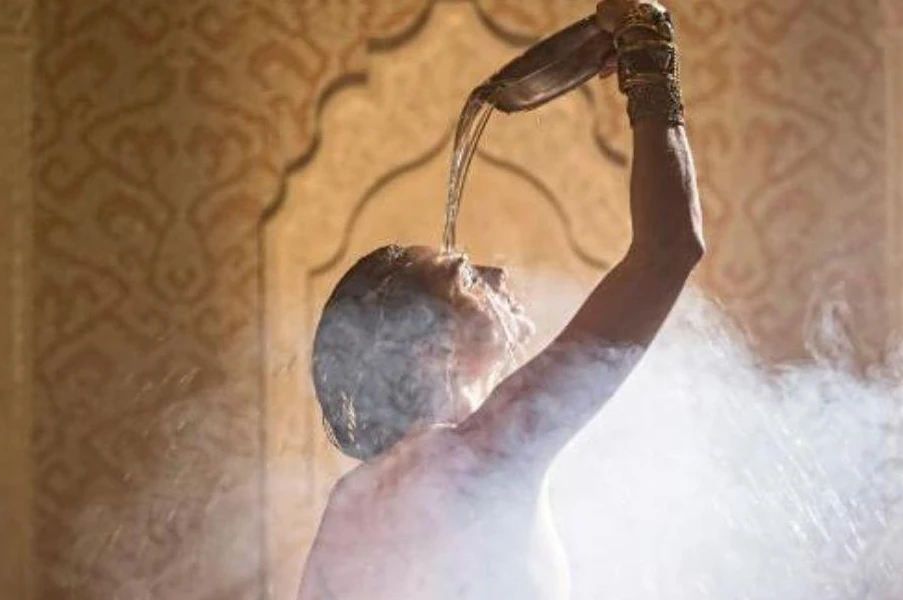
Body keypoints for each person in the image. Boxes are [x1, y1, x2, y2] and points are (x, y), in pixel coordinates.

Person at [298, 1, 702, 598]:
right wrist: (650, 59)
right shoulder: (482, 454)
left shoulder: (349, 502)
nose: (494, 272)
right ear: (432, 350)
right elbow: (668, 251)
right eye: (464, 277)